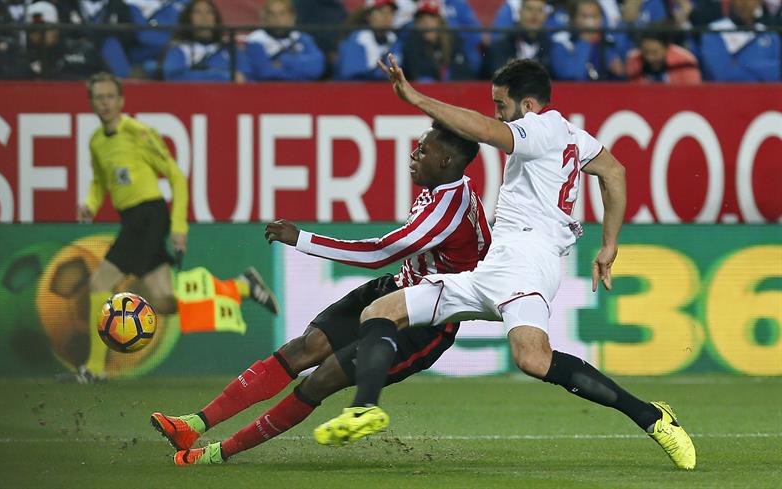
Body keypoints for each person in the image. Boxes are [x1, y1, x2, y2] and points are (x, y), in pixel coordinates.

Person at [313, 55, 697, 472]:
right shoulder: (573, 135)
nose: (498, 113)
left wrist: (415, 98)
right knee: (383, 310)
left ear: (528, 105)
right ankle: (365, 408)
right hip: (498, 266)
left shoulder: (541, 127)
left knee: (532, 358)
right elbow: (615, 172)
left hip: (528, 263)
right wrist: (609, 245)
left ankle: (653, 418)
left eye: (501, 104)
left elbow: (485, 130)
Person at [150, 122, 492, 465]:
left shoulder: (451, 208)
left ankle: (215, 455)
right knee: (305, 347)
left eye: (422, 150)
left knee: (323, 378)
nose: (413, 155)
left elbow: (378, 253)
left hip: (422, 322)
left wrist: (302, 239)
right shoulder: (446, 185)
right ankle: (192, 425)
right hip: (393, 291)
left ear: (446, 161)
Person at [76, 72, 278, 382]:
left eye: (109, 97)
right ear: (91, 103)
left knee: (99, 283)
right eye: (98, 98)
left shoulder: (138, 133)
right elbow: (100, 181)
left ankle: (94, 368)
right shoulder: (96, 141)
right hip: (133, 219)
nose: (104, 103)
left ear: (121, 101)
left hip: (149, 216)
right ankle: (242, 286)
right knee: (164, 302)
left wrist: (179, 225)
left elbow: (175, 176)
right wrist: (90, 203)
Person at [162, 0, 249, 82]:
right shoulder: (179, 49)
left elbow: (248, 78)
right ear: (188, 18)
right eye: (197, 12)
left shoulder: (229, 49)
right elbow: (175, 78)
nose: (204, 18)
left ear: (216, 18)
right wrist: (223, 77)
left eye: (209, 12)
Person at [22, 1, 107, 79]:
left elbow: (109, 79)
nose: (39, 34)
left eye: (45, 28)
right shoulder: (24, 59)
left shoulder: (82, 50)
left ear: (56, 28)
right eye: (33, 30)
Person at [699, 0, 780, 81]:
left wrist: (740, 64)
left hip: (767, 92)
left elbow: (777, 72)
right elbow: (723, 75)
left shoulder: (768, 32)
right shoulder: (714, 31)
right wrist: (760, 74)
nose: (746, 3)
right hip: (727, 92)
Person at [244, 0, 325, 81]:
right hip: (269, 91)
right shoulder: (256, 40)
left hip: (303, 91)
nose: (277, 19)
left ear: (292, 17)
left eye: (282, 14)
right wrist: (301, 72)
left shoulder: (302, 38)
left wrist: (284, 60)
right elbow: (265, 73)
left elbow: (317, 68)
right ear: (264, 17)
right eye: (272, 14)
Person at [550, 0, 626, 81]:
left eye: (595, 16)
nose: (590, 22)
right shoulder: (562, 43)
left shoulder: (611, 44)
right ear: (574, 19)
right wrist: (585, 41)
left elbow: (623, 78)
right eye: (585, 16)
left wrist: (620, 71)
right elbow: (571, 75)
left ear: (601, 19)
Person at [401, 0, 476, 81]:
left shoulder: (454, 41)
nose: (427, 23)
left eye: (431, 18)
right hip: (424, 91)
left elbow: (464, 72)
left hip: (454, 90)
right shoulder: (412, 44)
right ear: (417, 24)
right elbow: (416, 74)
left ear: (440, 22)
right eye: (421, 19)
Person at [335, 0, 402, 80]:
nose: (387, 17)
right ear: (369, 16)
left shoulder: (395, 40)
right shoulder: (358, 39)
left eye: (391, 13)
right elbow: (352, 75)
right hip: (355, 90)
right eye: (382, 12)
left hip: (386, 90)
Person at [484, 0, 551, 77]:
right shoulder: (499, 47)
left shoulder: (551, 47)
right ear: (519, 12)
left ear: (545, 16)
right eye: (529, 9)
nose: (534, 14)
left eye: (540, 10)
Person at [626, 27, 701, 83]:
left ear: (667, 48)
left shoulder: (686, 61)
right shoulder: (633, 61)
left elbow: (692, 93)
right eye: (645, 52)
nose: (649, 58)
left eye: (654, 52)